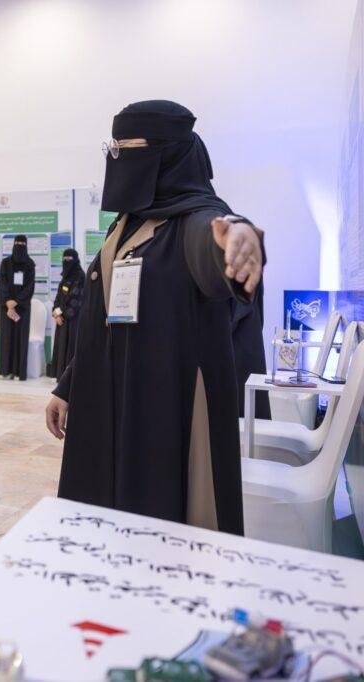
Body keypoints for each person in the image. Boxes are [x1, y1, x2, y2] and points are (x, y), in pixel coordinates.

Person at [46, 100, 264, 535]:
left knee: (161, 523)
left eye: (123, 148)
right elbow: (104, 318)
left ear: (163, 155)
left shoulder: (195, 220)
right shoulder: (126, 225)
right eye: (112, 147)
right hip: (110, 397)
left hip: (162, 408)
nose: (115, 158)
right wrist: (68, 386)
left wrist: (238, 239)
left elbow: (213, 242)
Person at [0, 235, 35, 379]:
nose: (19, 246)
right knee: (6, 337)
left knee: (21, 338)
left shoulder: (30, 264)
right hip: (6, 309)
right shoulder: (5, 263)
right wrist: (8, 302)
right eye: (17, 243)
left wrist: (17, 301)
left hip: (22, 308)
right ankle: (6, 370)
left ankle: (19, 371)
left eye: (22, 244)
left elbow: (29, 287)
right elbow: (2, 284)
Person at [49, 248, 84, 378]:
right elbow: (59, 297)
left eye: (69, 259)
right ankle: (60, 375)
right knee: (61, 347)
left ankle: (69, 378)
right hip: (61, 320)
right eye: (64, 258)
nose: (66, 261)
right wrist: (56, 312)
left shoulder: (81, 277)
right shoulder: (65, 277)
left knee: (70, 348)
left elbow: (76, 300)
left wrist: (63, 315)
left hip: (73, 321)